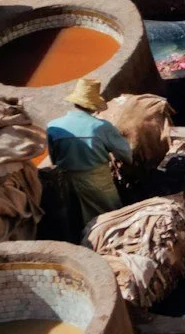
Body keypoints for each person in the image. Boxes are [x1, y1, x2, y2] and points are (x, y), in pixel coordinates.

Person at [47, 79, 134, 227]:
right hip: (97, 180)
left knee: (77, 215)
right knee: (111, 216)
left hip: (67, 180)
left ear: (75, 102)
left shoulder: (53, 126)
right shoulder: (101, 126)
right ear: (93, 105)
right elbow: (125, 154)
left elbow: (53, 158)